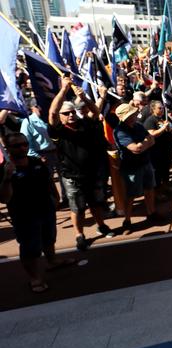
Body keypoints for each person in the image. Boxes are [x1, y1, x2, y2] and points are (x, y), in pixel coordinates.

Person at [0, 133, 76, 293]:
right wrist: (7, 177)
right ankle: (34, 277)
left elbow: (47, 180)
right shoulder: (5, 169)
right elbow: (4, 198)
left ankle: (52, 261)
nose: (22, 147)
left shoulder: (36, 162)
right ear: (7, 148)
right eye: (17, 145)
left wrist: (55, 196)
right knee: (30, 247)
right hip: (24, 215)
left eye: (24, 144)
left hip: (45, 208)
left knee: (49, 237)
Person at [48, 76, 115, 250]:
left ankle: (101, 225)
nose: (70, 115)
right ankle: (79, 235)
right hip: (72, 177)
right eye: (66, 113)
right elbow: (52, 113)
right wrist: (64, 90)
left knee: (96, 202)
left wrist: (84, 97)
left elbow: (95, 112)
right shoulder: (58, 131)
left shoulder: (84, 124)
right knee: (77, 207)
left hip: (91, 173)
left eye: (71, 112)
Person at [113, 103, 159, 234]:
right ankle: (127, 220)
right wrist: (145, 143)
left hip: (146, 163)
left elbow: (150, 141)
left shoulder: (138, 126)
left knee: (149, 189)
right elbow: (135, 148)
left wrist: (142, 145)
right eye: (131, 114)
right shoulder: (119, 131)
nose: (134, 115)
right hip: (131, 168)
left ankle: (152, 212)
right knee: (131, 195)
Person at [142, 101, 172, 199]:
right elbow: (151, 134)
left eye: (162, 108)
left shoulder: (164, 118)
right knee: (157, 172)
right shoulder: (150, 120)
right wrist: (163, 128)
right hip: (156, 150)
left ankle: (166, 187)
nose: (162, 109)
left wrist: (171, 129)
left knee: (166, 169)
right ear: (153, 109)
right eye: (159, 108)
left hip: (166, 148)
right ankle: (157, 193)